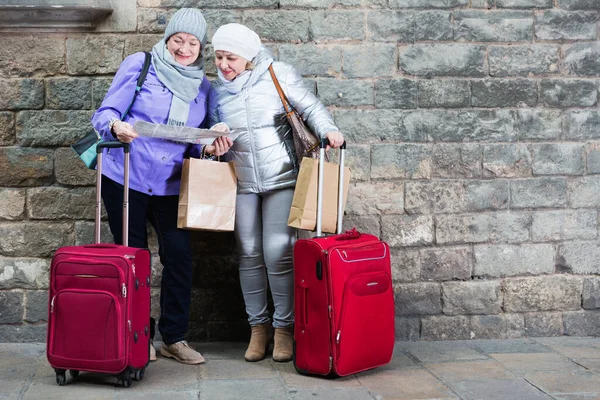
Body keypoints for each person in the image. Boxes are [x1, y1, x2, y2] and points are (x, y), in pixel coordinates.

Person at [91, 8, 232, 365]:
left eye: (193, 43)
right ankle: (136, 334)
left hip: (171, 185)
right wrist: (117, 127)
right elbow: (104, 113)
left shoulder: (203, 87)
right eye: (178, 40)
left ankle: (173, 337)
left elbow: (199, 140)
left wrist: (211, 144)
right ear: (167, 39)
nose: (184, 48)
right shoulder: (141, 64)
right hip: (126, 177)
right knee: (132, 259)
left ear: (201, 48)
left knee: (180, 257)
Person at [209, 23, 345, 362]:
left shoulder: (276, 74)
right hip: (239, 181)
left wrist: (329, 130)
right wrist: (213, 141)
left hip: (281, 178)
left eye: (231, 58)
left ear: (249, 57)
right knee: (248, 253)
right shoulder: (216, 90)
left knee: (278, 253)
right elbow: (207, 129)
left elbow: (310, 106)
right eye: (218, 57)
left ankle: (284, 329)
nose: (224, 65)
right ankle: (259, 329)